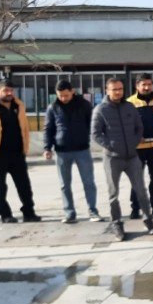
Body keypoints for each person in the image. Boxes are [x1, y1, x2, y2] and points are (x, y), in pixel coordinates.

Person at [91, 77, 153, 241]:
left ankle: (148, 220)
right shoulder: (100, 110)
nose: (118, 92)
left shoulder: (129, 107)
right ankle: (117, 224)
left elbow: (139, 127)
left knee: (141, 191)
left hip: (132, 157)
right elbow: (95, 134)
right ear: (107, 90)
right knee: (113, 194)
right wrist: (111, 146)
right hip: (112, 159)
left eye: (120, 89)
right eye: (114, 89)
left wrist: (134, 142)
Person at [0, 79, 41, 224]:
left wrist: (25, 147)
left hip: (17, 153)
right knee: (0, 186)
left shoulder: (18, 106)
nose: (9, 93)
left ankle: (29, 213)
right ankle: (5, 214)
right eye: (6, 90)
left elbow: (24, 128)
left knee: (24, 185)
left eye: (11, 90)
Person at [43, 80, 103, 224]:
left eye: (66, 95)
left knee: (88, 182)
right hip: (62, 151)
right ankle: (69, 213)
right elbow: (48, 129)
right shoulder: (53, 107)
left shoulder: (84, 105)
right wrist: (47, 148)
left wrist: (93, 137)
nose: (63, 98)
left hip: (82, 149)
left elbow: (93, 123)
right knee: (65, 184)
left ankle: (93, 211)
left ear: (72, 92)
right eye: (60, 96)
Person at [127, 73, 153, 218]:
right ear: (137, 86)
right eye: (143, 85)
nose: (146, 87)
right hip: (137, 149)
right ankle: (135, 208)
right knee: (137, 179)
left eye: (149, 84)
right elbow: (126, 126)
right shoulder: (130, 102)